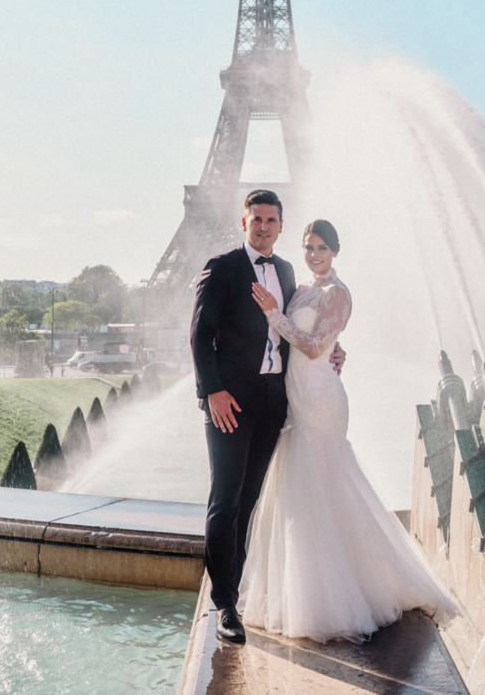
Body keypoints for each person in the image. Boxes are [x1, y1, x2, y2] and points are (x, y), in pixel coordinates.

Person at [239, 219, 458, 644]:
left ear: (335, 251)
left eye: (322, 247)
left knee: (321, 486)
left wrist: (273, 313)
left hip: (321, 400)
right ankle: (304, 589)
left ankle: (331, 598)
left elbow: (316, 347)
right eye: (308, 246)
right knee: (303, 493)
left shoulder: (337, 293)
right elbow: (313, 340)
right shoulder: (301, 289)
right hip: (298, 396)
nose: (314, 254)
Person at [190, 190, 345, 646]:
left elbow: (298, 329)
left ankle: (233, 589)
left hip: (273, 402)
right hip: (229, 403)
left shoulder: (287, 272)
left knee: (250, 501)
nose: (263, 226)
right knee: (225, 499)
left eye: (271, 220)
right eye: (256, 219)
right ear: (244, 223)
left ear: (281, 225)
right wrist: (212, 392)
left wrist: (332, 348)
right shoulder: (222, 268)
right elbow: (200, 335)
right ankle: (225, 605)